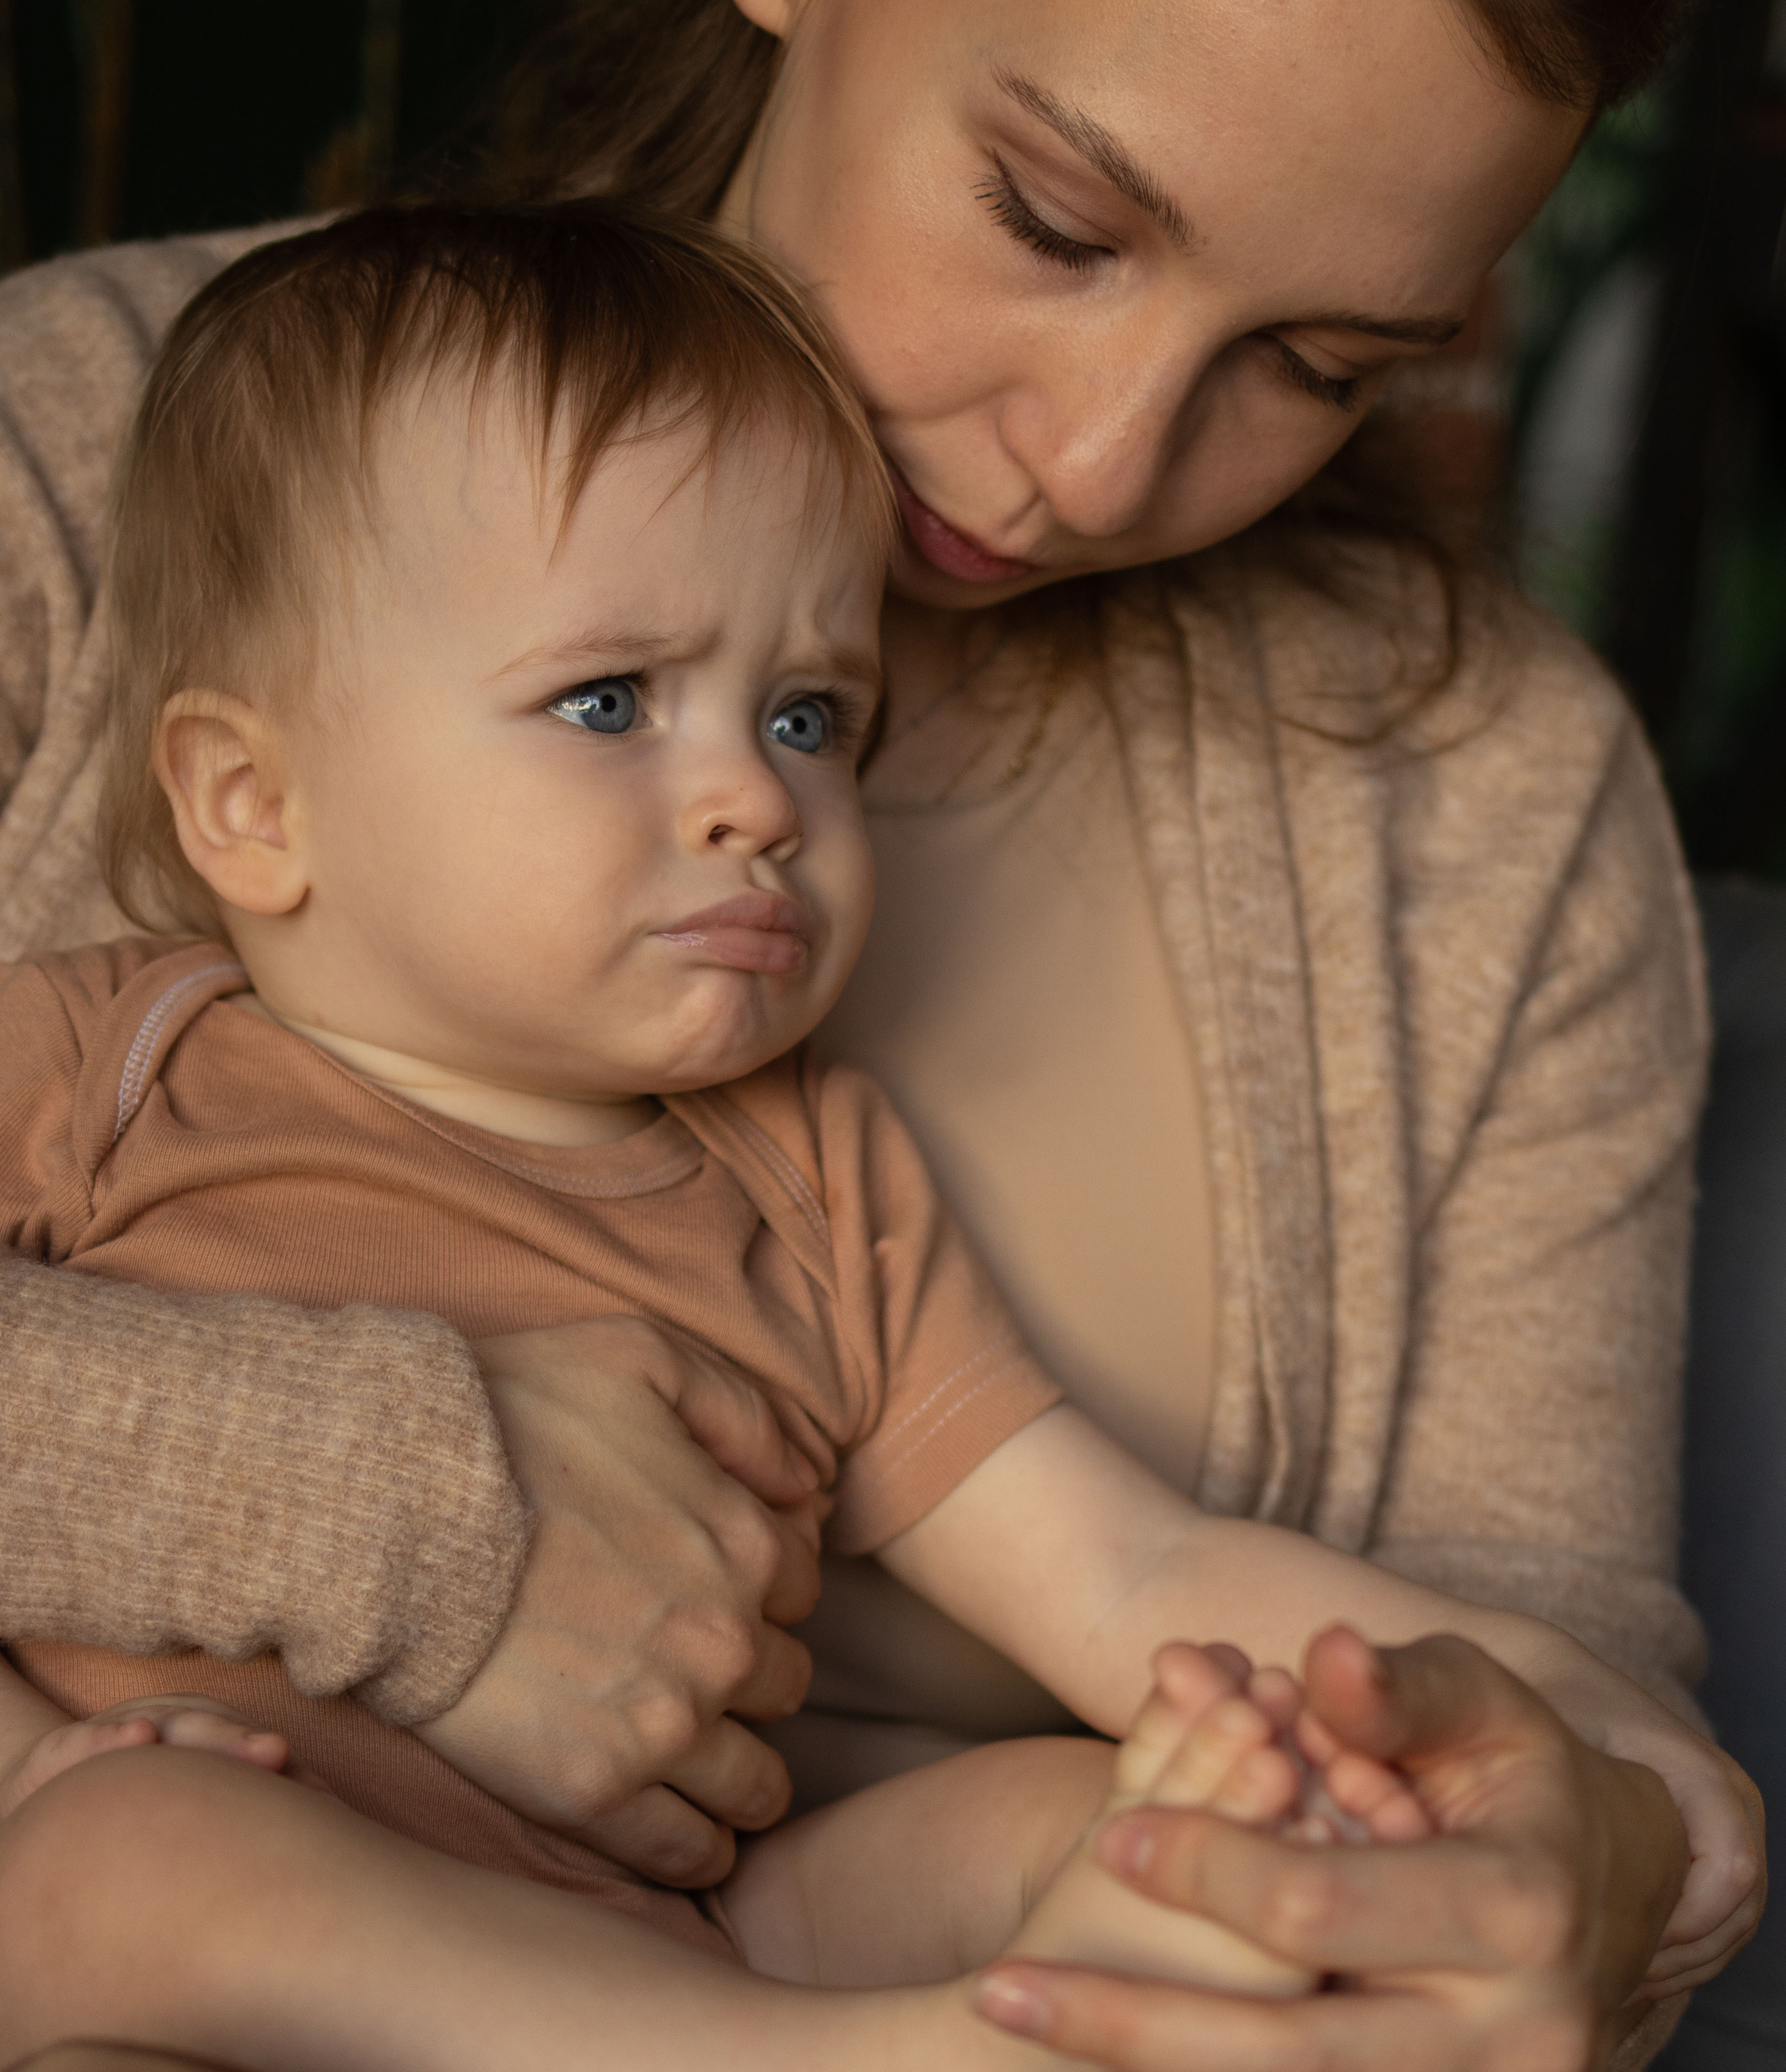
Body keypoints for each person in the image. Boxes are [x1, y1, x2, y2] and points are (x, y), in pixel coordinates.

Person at [0, 0, 1762, 2066]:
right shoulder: (70, 467)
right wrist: (397, 1503)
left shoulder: (1487, 808)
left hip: (737, 1925)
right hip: (222, 1885)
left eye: (1322, 365)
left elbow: (1297, 1623)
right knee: (137, 1856)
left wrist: (1599, 1827)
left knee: (1128, 1827)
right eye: (1056, 217)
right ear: (244, 797)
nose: (1097, 459)